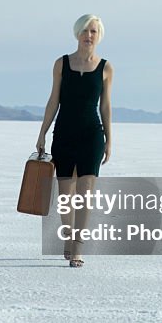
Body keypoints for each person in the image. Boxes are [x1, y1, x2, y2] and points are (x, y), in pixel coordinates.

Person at [36, 14, 113, 268]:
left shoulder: (105, 68)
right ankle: (68, 237)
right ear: (77, 33)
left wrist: (109, 139)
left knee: (85, 196)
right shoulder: (61, 64)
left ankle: (78, 248)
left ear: (98, 35)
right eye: (84, 31)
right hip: (64, 134)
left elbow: (106, 107)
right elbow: (53, 101)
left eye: (93, 31)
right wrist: (42, 132)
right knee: (66, 197)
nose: (88, 36)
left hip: (92, 135)